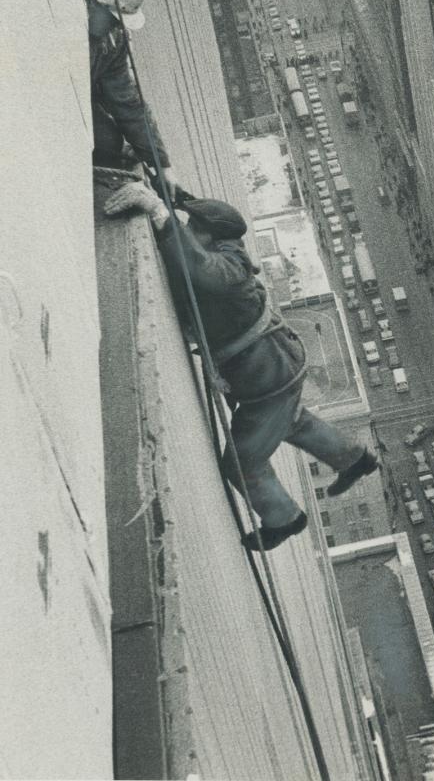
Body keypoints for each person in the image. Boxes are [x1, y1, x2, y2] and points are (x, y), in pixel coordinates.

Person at [104, 182, 378, 550]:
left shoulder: (227, 269)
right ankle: (354, 459)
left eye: (193, 228)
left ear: (211, 236)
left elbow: (202, 269)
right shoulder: (222, 243)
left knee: (241, 460)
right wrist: (170, 195)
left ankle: (285, 518)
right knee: (293, 421)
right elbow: (197, 238)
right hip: (274, 368)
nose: (188, 232)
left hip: (267, 375)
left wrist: (161, 215)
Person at [76, 0, 178, 196]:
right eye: (113, 17)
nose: (118, 25)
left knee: (108, 141)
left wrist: (160, 162)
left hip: (73, 103)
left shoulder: (112, 41)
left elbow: (127, 102)